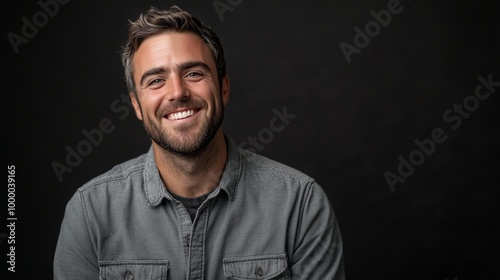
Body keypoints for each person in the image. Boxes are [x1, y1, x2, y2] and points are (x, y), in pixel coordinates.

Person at [53, 5, 345, 279]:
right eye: (156, 80)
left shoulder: (300, 204)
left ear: (224, 87)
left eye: (193, 73)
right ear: (137, 106)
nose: (177, 92)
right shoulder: (90, 213)